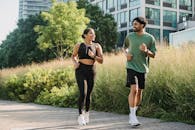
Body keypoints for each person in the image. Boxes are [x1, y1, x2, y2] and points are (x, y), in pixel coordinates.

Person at [123, 17, 157, 126]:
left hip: (142, 68)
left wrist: (146, 51)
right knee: (134, 89)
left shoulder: (150, 38)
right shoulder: (130, 36)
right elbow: (125, 48)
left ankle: (133, 113)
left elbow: (154, 55)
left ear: (142, 25)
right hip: (131, 66)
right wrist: (126, 54)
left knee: (140, 91)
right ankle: (133, 116)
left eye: (136, 24)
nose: (134, 26)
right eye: (133, 24)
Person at [71, 28, 103, 126]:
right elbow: (73, 56)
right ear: (85, 35)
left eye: (94, 34)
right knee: (83, 93)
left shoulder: (97, 46)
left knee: (89, 94)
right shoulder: (79, 45)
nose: (93, 35)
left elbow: (101, 60)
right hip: (81, 70)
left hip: (91, 70)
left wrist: (93, 56)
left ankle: (87, 113)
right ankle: (80, 115)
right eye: (91, 33)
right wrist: (75, 62)